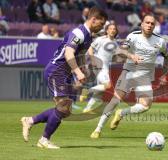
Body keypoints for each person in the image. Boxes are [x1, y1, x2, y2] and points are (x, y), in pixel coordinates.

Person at [20, 7, 108, 149]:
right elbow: (69, 53)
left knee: (65, 110)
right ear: (93, 19)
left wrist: (81, 71)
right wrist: (78, 72)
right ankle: (43, 139)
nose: (102, 27)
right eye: (101, 24)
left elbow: (79, 57)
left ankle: (30, 121)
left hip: (64, 73)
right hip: (56, 71)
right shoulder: (78, 33)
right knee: (63, 107)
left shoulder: (89, 36)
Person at [90, 14, 168, 139]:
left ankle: (122, 113)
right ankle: (98, 129)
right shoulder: (133, 36)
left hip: (144, 76)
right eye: (147, 23)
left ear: (154, 26)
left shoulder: (160, 41)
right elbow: (121, 50)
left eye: (152, 24)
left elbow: (167, 57)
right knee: (115, 100)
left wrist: (164, 75)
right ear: (142, 24)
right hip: (128, 72)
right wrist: (131, 56)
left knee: (145, 106)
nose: (149, 25)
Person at [81, 23, 119, 113]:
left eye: (114, 29)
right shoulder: (101, 39)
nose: (112, 30)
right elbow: (90, 48)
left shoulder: (115, 43)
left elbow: (114, 57)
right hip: (99, 65)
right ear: (107, 30)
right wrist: (92, 59)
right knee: (108, 85)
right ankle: (86, 91)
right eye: (111, 28)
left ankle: (87, 108)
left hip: (106, 66)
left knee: (99, 93)